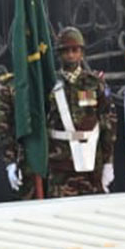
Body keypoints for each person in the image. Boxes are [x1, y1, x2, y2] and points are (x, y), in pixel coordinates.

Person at [44, 26, 116, 197]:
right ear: (59, 54)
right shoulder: (49, 84)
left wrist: (108, 162)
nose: (70, 55)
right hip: (60, 162)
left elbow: (108, 122)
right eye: (65, 50)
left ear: (82, 53)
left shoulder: (94, 82)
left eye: (75, 50)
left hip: (91, 160)